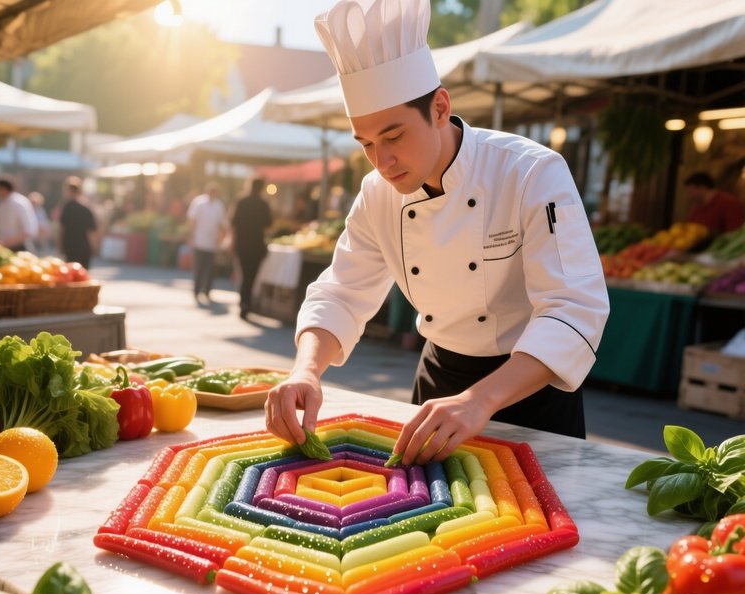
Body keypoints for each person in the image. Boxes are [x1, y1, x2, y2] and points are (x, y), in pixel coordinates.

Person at [265, 0, 609, 464]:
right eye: (366, 144)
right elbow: (343, 291)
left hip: (530, 389)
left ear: (440, 107)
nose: (382, 162)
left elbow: (574, 310)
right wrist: (305, 370)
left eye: (393, 137)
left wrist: (481, 400)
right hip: (437, 385)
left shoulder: (530, 172)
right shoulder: (376, 193)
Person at [231, 177, 273, 319]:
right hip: (257, 245)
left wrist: (233, 242)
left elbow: (234, 224)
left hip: (242, 244)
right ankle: (246, 303)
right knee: (251, 276)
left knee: (244, 274)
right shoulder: (263, 204)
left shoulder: (241, 201)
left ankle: (244, 302)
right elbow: (268, 225)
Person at [186, 183, 229, 304]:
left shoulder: (219, 205)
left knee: (210, 269)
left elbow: (222, 224)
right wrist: (191, 236)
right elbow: (192, 220)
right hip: (199, 240)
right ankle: (196, 290)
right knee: (199, 267)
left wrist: (221, 239)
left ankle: (207, 290)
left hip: (212, 242)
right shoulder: (199, 202)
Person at [684, 171, 745, 236]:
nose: (689, 195)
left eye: (690, 191)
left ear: (702, 187)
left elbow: (736, 233)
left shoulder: (729, 203)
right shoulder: (698, 206)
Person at [58, 176, 98, 269]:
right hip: (83, 247)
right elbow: (92, 231)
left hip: (70, 247)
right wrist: (95, 248)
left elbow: (61, 229)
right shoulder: (86, 208)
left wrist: (59, 246)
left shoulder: (67, 207)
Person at [0, 176, 39, 251]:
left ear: (3, 188)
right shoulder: (1, 204)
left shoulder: (19, 203)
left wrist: (4, 243)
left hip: (19, 249)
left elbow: (29, 231)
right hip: (4, 248)